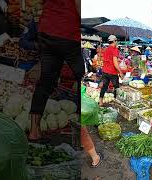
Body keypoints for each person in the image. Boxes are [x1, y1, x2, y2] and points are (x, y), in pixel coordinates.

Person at [28, 0, 102, 168]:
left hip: (47, 31)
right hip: (67, 33)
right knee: (82, 79)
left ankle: (34, 131)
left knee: (45, 82)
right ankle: (88, 140)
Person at [99, 35, 124, 106]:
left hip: (105, 71)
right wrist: (121, 72)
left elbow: (108, 59)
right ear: (114, 41)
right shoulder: (115, 49)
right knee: (116, 88)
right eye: (116, 41)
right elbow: (115, 63)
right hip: (112, 72)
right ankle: (116, 103)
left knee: (104, 87)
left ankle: (100, 101)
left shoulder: (106, 49)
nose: (117, 42)